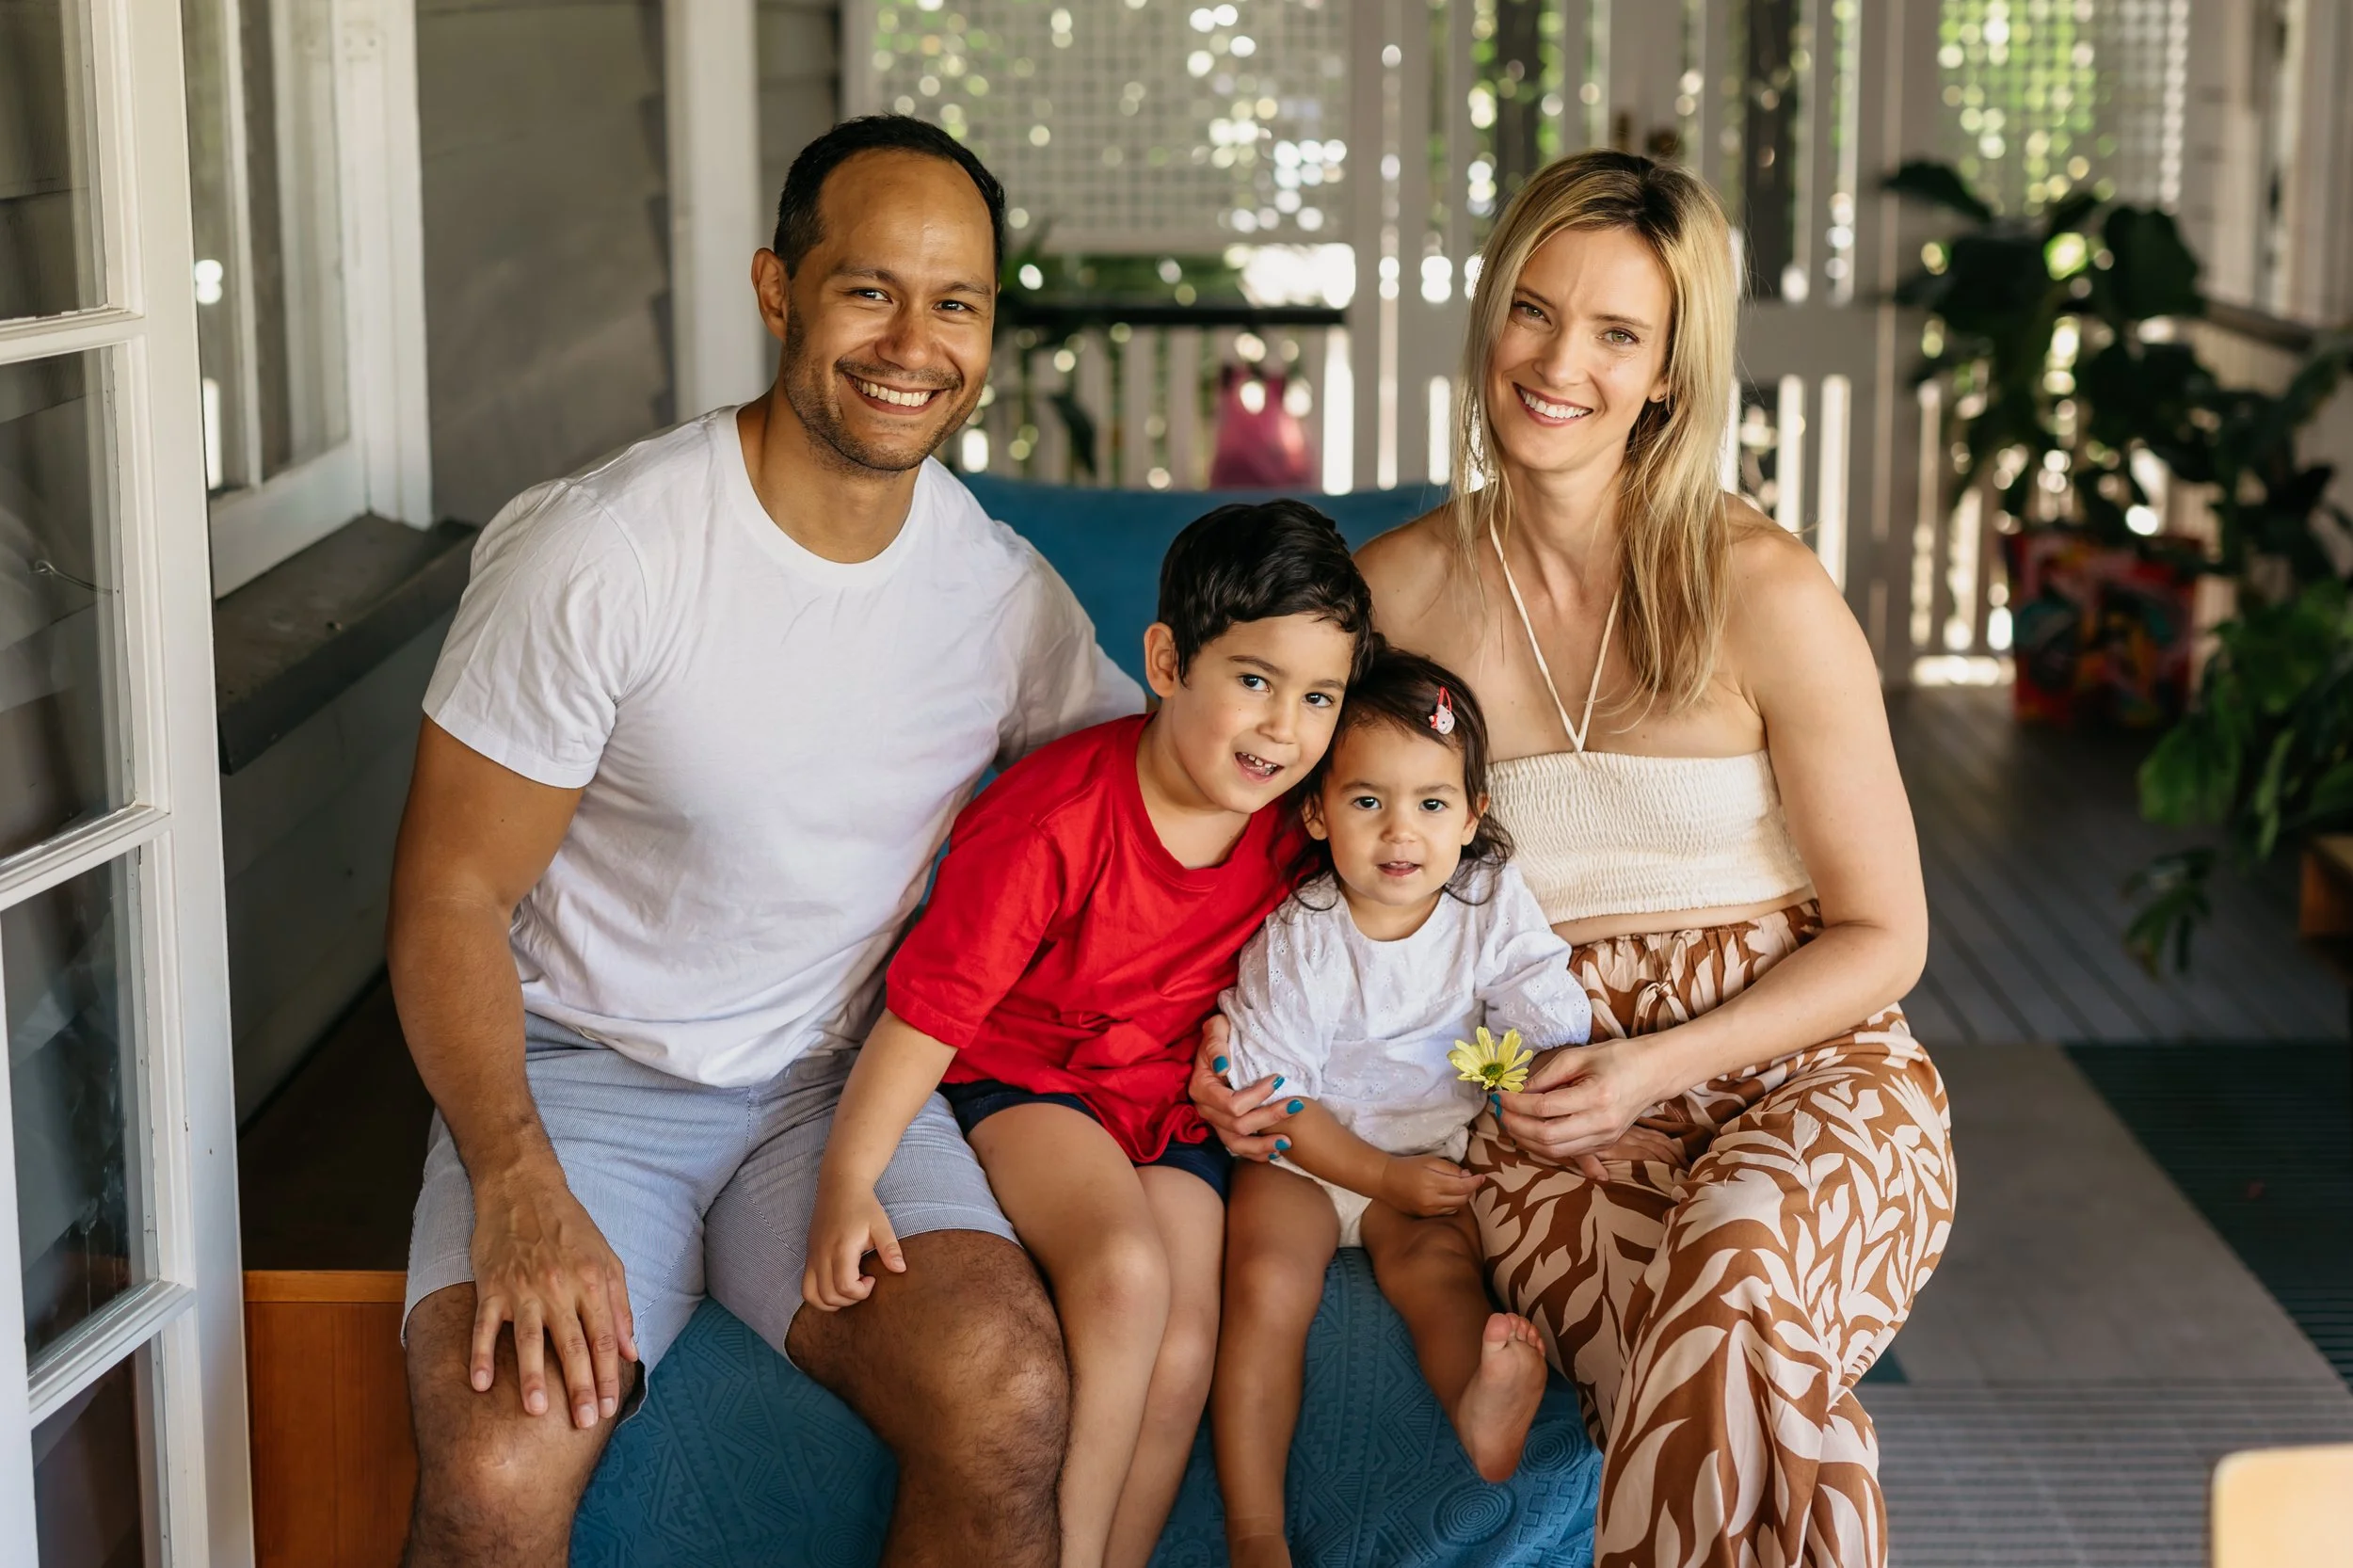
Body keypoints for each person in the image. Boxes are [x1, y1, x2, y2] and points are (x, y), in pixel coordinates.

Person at [389, 115, 1144, 1567]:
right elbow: (448, 893)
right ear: (777, 289)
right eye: (869, 289)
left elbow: (1156, 792)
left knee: (1003, 1391)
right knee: (493, 1465)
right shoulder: (607, 551)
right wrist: (516, 1173)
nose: (913, 344)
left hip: (832, 1092)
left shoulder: (1000, 597)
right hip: (582, 1078)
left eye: (957, 302)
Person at [1192, 149, 1957, 1568]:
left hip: (1810, 1066)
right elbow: (1244, 821)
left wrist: (1659, 1066)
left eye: (1616, 333)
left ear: (1666, 374)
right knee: (1716, 1357)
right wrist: (1210, 1052)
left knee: (1735, 1266)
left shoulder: (1765, 588)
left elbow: (1885, 935)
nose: (1559, 365)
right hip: (1540, 1106)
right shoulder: (1388, 600)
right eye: (1534, 312)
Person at [803, 499, 1373, 1568]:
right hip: (1031, 1081)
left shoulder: (1298, 832)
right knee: (1124, 1274)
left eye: (1317, 698)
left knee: (1184, 1346)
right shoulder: (1050, 821)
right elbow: (928, 1014)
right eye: (1254, 680)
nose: (1282, 729)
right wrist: (849, 1176)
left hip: (1168, 1108)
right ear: (1166, 662)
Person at [1209, 649, 1589, 1567]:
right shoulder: (1304, 931)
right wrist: (1380, 1176)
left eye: (1430, 803)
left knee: (1440, 1275)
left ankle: (1480, 1404)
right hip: (1306, 1155)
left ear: (1472, 815)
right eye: (1367, 801)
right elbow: (1274, 1099)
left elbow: (1538, 1003)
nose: (1399, 831)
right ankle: (1256, 1530)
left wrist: (1535, 1081)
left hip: (1424, 1152)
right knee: (1264, 1286)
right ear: (1316, 810)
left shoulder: (1485, 903)